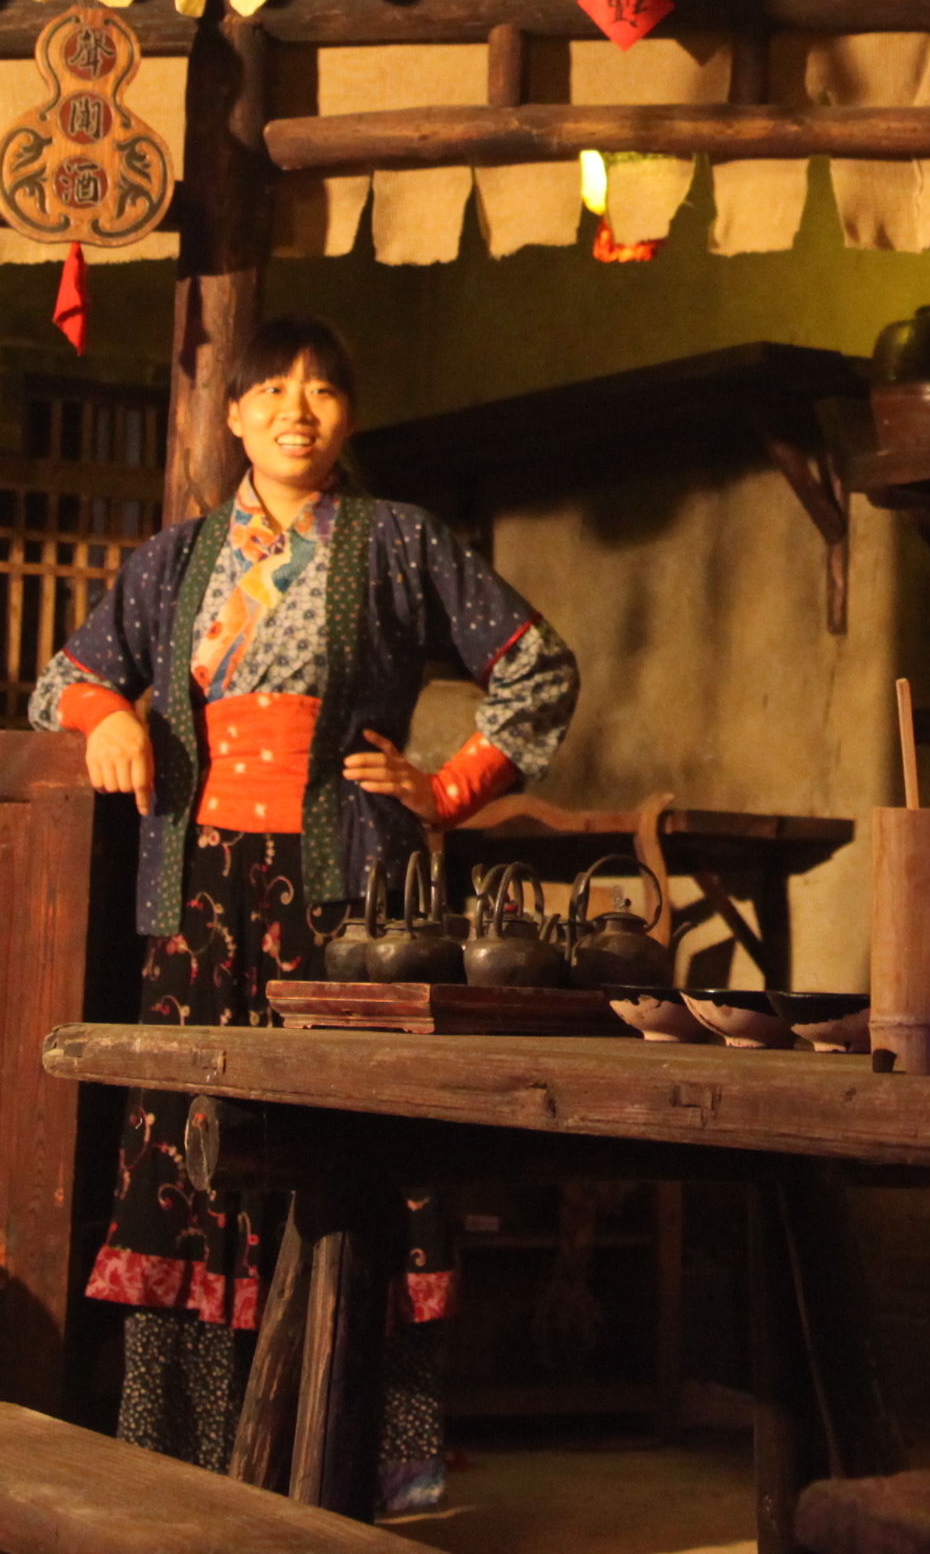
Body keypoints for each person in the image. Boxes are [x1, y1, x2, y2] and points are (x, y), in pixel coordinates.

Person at [30, 312, 577, 1503]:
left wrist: (447, 788)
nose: (297, 409)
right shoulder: (171, 561)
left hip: (349, 903)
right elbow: (63, 675)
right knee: (188, 1146)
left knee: (353, 1146)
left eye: (323, 389)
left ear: (349, 414)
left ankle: (356, 1454)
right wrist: (109, 715)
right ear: (233, 414)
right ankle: (184, 1453)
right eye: (271, 388)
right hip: (197, 894)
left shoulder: (400, 541)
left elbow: (539, 666)